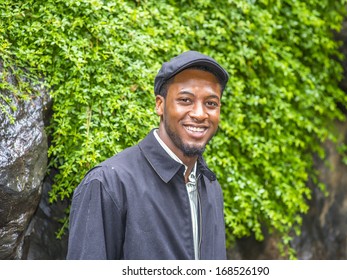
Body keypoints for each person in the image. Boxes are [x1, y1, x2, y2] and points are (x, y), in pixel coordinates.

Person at [66, 50, 229, 260]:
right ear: (160, 105)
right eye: (186, 100)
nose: (199, 114)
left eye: (211, 103)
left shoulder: (211, 187)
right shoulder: (108, 184)